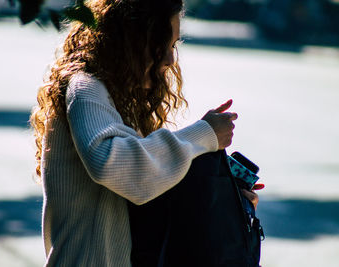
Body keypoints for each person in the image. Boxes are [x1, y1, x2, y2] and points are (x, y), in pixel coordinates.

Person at [30, 0, 257, 266]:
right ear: (134, 39)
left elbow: (148, 191)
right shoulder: (86, 89)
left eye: (174, 45)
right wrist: (203, 135)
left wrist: (224, 200)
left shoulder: (117, 99)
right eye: (164, 44)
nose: (171, 58)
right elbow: (112, 164)